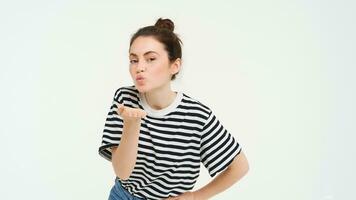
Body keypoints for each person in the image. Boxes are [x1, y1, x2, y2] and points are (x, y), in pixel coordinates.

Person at [98, 18, 249, 200]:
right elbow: (122, 172)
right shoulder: (125, 99)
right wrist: (132, 124)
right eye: (133, 60)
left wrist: (195, 196)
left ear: (174, 65)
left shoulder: (197, 116)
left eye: (151, 59)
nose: (140, 67)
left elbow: (240, 166)